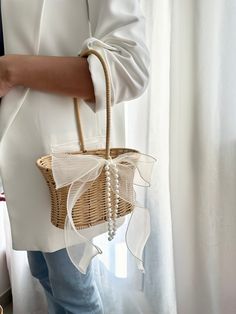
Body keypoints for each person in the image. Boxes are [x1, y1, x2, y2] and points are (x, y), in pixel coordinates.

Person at [0, 0, 150, 313]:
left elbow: (130, 67)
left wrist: (10, 70)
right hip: (20, 155)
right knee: (46, 275)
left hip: (59, 165)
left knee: (72, 290)